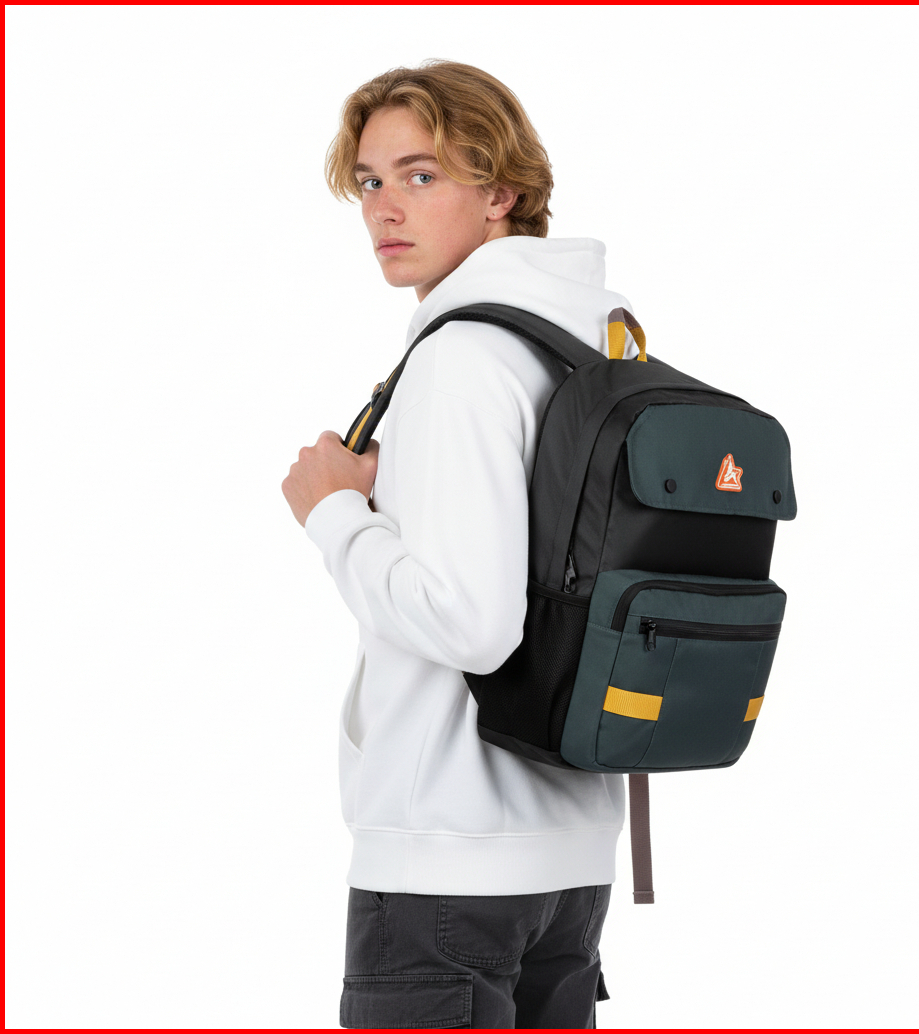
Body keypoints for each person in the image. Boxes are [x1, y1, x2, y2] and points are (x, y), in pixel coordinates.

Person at [282, 60, 644, 1030]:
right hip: (569, 859)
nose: (384, 207)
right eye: (370, 180)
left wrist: (333, 515)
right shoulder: (592, 345)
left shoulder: (459, 356)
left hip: (445, 861)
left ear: (502, 192)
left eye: (421, 174)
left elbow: (470, 623)